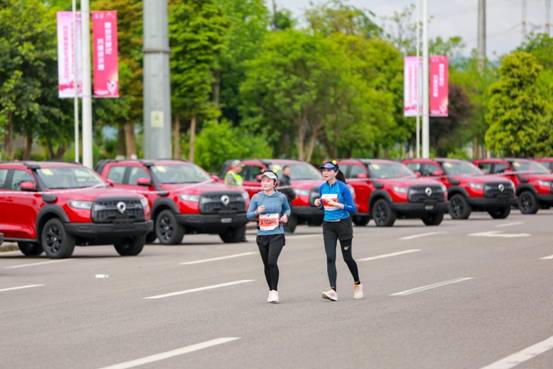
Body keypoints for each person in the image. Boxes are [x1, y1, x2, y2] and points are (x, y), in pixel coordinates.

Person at [314, 160, 363, 301]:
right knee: (330, 257)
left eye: (329, 170)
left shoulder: (343, 187)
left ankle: (357, 283)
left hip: (343, 225)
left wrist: (338, 204)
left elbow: (353, 208)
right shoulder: (322, 188)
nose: (325, 173)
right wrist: (318, 203)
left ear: (335, 172)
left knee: (347, 258)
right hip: (328, 226)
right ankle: (333, 290)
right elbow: (324, 207)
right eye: (323, 170)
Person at [247, 170, 291, 303]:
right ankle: (270, 290)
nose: (265, 183)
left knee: (272, 262)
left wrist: (285, 216)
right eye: (263, 180)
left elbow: (287, 209)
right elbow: (248, 215)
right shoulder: (257, 197)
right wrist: (257, 211)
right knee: (266, 265)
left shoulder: (281, 197)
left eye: (268, 181)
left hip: (277, 234)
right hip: (262, 235)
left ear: (275, 183)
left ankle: (274, 291)